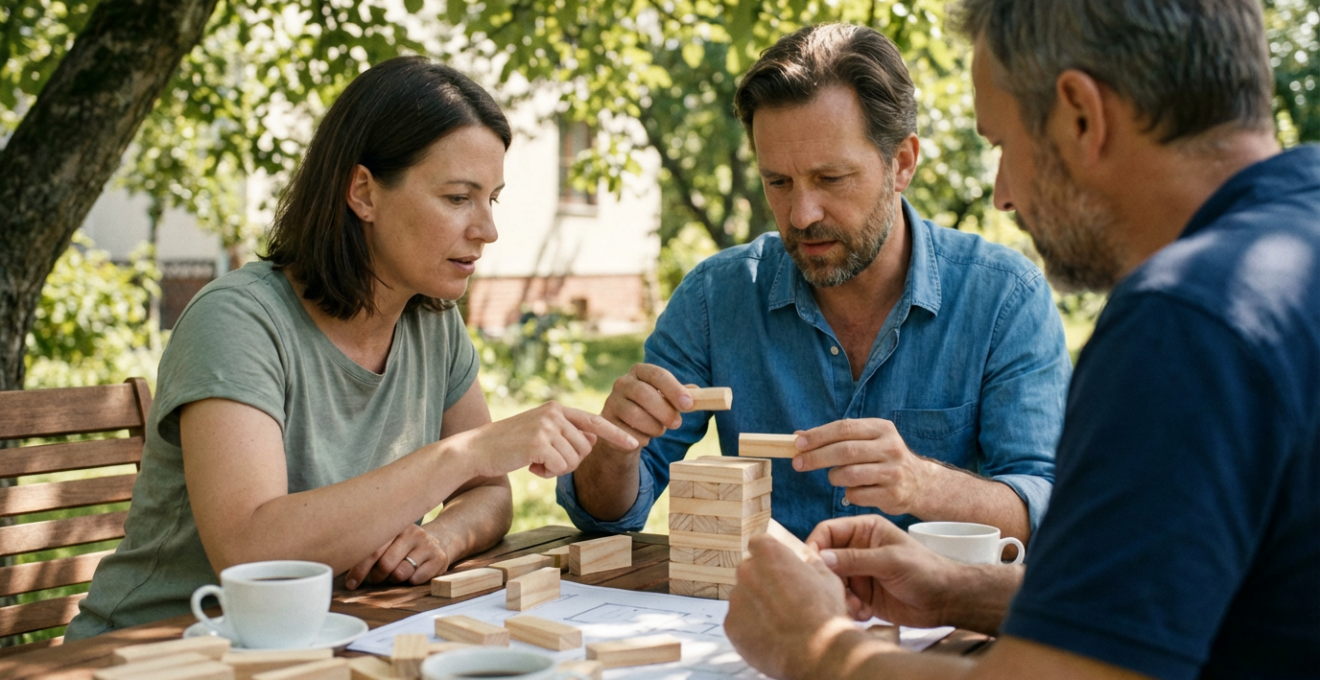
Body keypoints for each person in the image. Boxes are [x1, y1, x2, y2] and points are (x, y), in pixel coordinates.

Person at [725, 1, 1320, 679]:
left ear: (1080, 116)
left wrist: (813, 643)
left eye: (1003, 143)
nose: (1004, 194)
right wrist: (959, 590)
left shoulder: (1187, 324)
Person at [65, 57, 635, 638]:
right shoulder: (238, 321)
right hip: (153, 649)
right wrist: (463, 453)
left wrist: (441, 537)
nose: (486, 229)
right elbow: (250, 553)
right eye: (459, 197)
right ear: (363, 191)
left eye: (493, 199)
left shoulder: (432, 321)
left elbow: (488, 495)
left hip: (322, 640)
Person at [559, 24, 1070, 543]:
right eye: (778, 182)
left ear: (902, 164)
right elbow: (606, 516)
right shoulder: (716, 298)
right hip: (754, 614)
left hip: (931, 618)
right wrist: (616, 447)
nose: (801, 215)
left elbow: (1052, 511)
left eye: (831, 179)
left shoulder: (1005, 297)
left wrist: (924, 484)